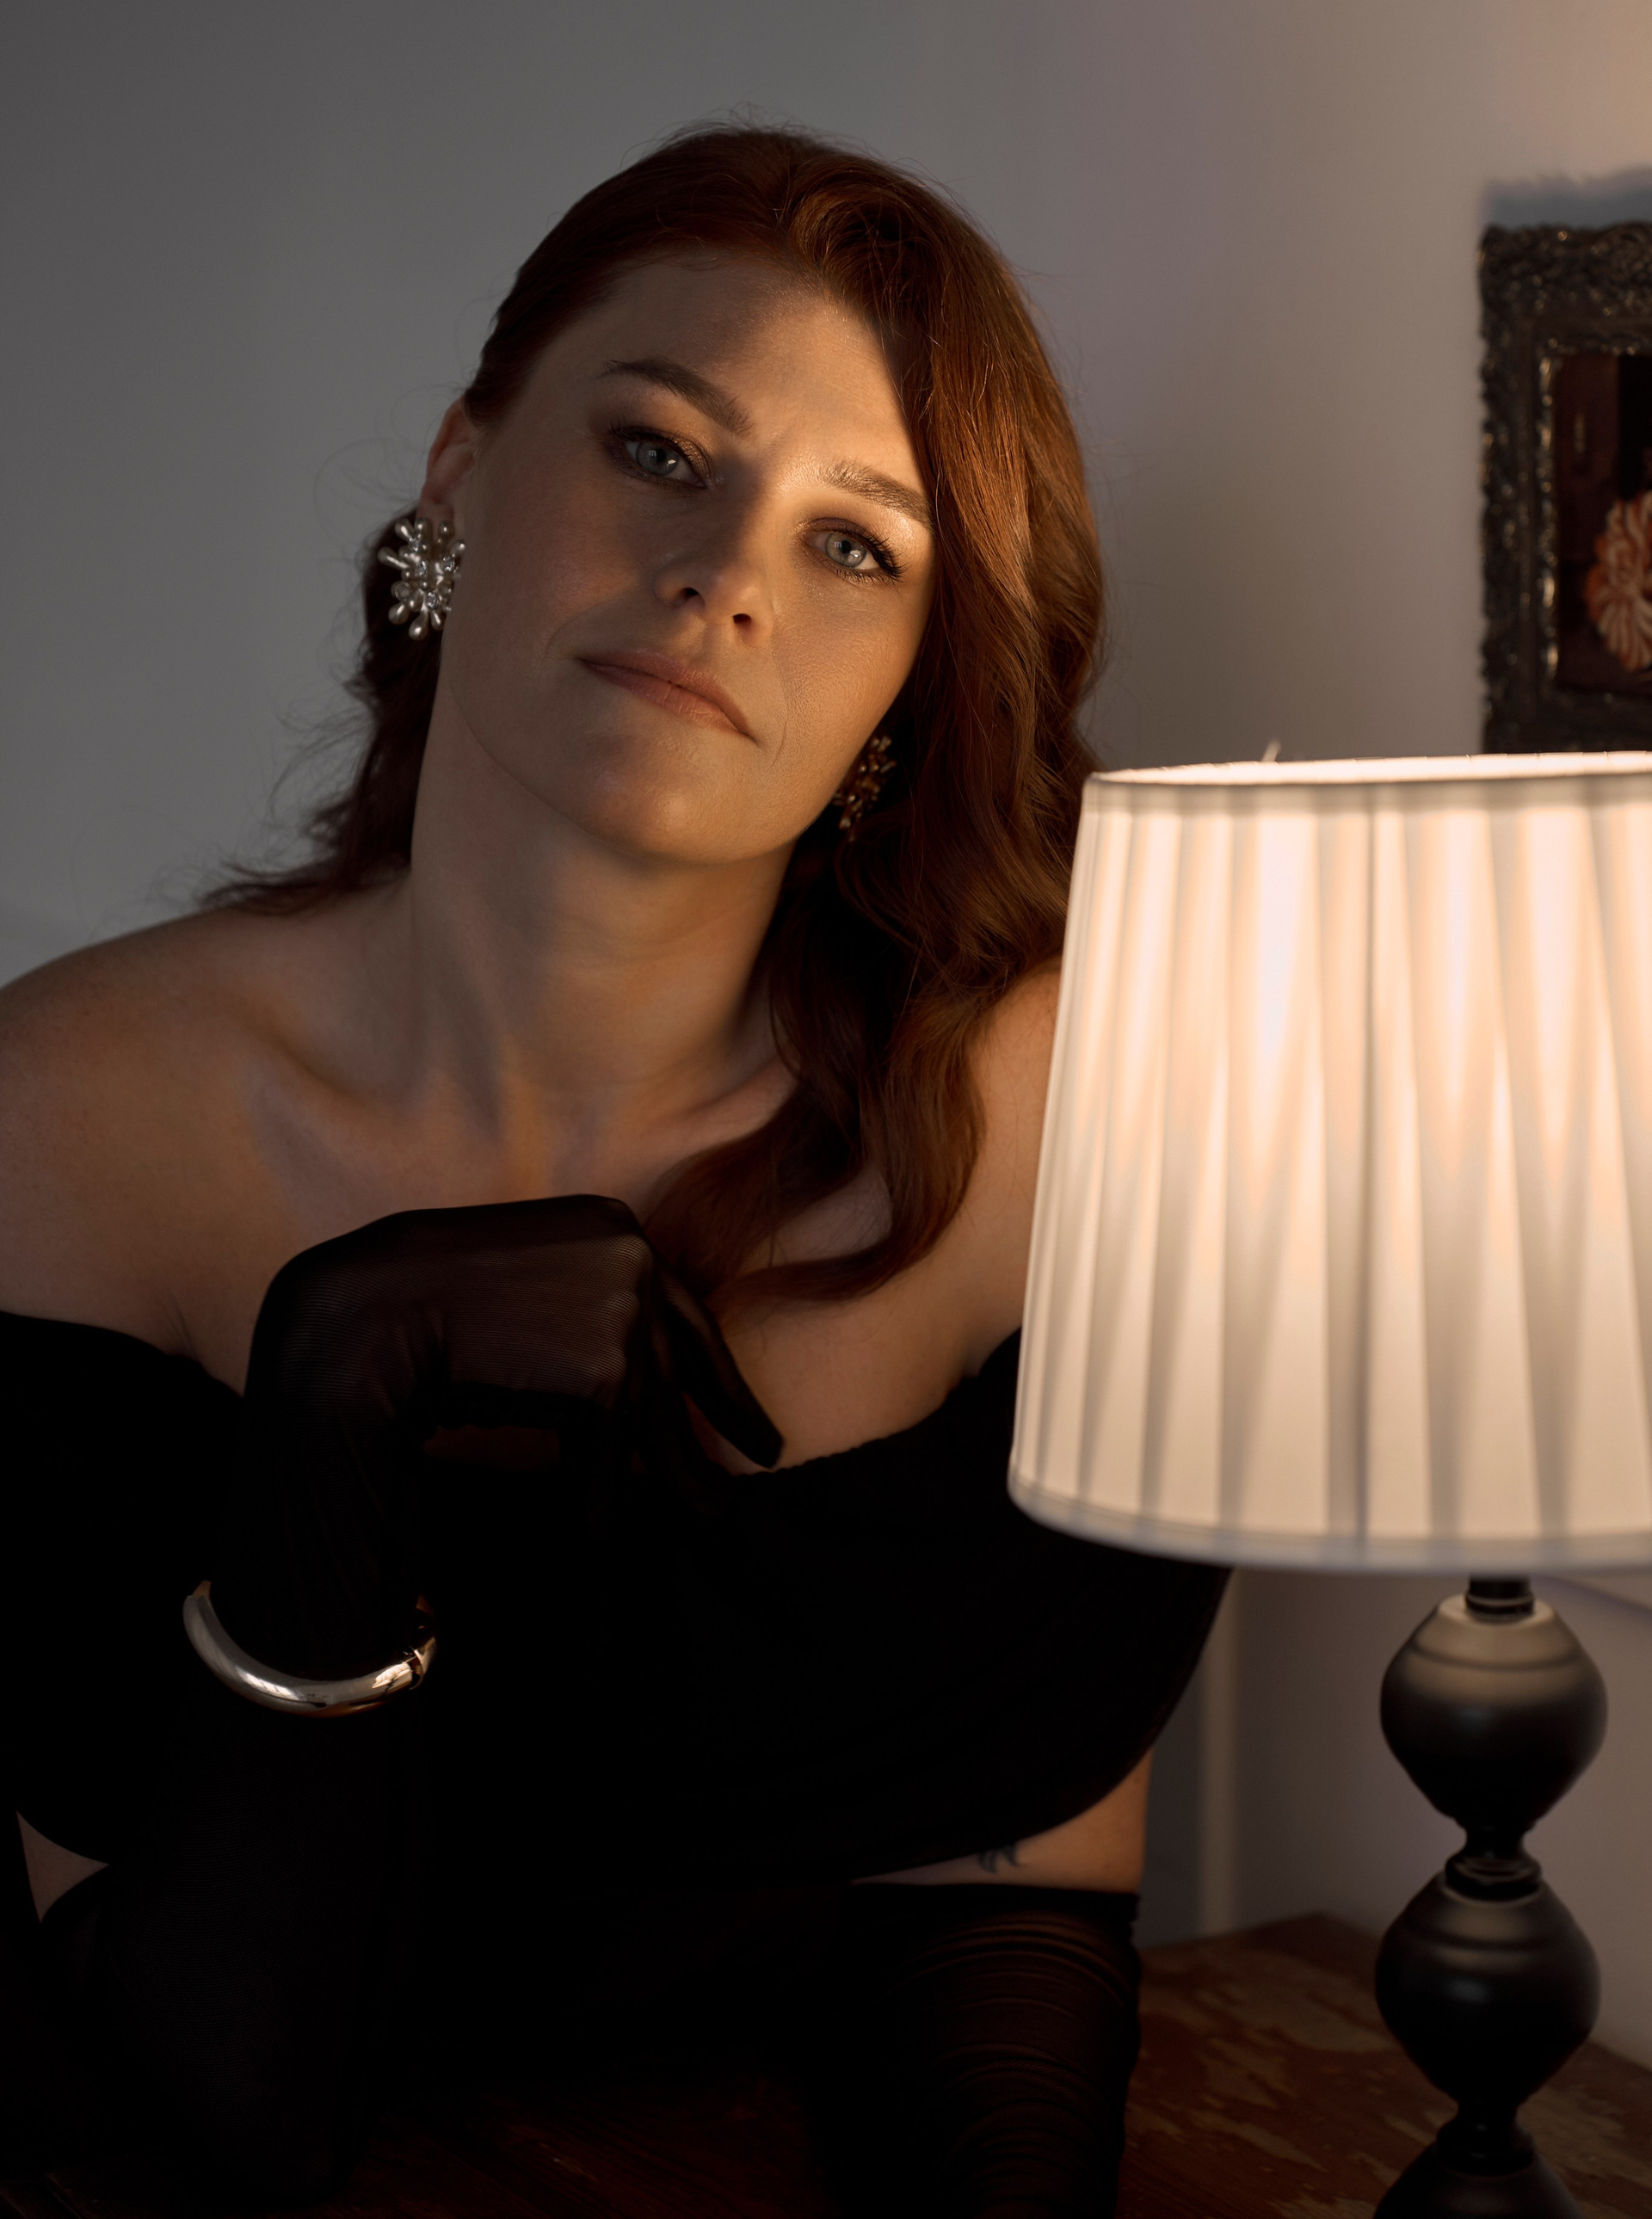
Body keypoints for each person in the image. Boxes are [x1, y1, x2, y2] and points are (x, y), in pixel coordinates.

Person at [0, 126, 1224, 2213]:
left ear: (913, 688)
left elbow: (1006, 1908)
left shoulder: (1075, 1121)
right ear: (459, 476)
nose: (727, 575)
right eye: (662, 451)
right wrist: (333, 1395)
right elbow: (194, 2093)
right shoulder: (62, 1122)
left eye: (857, 547)